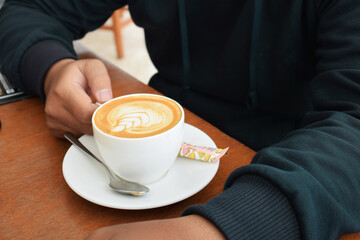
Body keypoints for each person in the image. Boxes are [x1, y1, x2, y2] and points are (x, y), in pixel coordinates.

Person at [1, 0, 360, 239]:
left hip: (307, 170)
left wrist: (226, 227)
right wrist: (52, 68)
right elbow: (30, 9)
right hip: (165, 134)